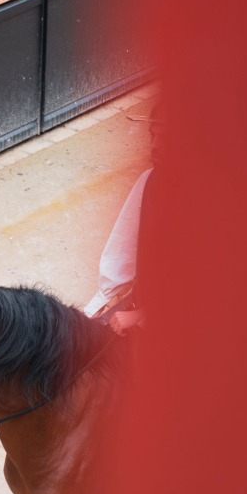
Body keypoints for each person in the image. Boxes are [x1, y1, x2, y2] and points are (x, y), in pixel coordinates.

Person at [84, 105, 165, 335]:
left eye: (166, 138)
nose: (155, 145)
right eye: (152, 135)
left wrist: (143, 315)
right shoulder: (149, 181)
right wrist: (96, 308)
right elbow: (123, 252)